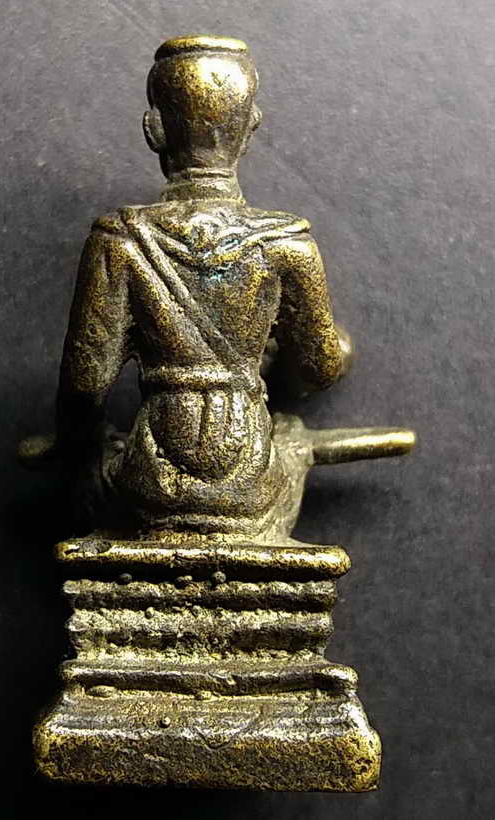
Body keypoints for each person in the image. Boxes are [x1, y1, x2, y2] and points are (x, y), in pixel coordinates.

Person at [33, 35, 353, 539]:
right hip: (249, 475)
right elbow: (320, 367)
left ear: (154, 129)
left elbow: (85, 384)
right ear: (251, 127)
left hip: (152, 474)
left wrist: (80, 444)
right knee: (291, 440)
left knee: (100, 473)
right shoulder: (288, 244)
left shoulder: (120, 240)